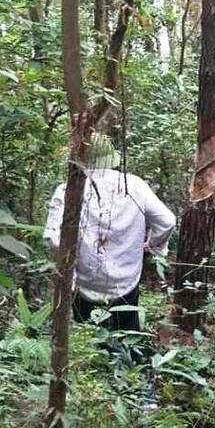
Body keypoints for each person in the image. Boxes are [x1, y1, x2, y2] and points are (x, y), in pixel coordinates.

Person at [43, 133, 176, 335]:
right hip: (126, 282)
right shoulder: (134, 186)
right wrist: (154, 245)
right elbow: (167, 221)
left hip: (84, 285)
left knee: (90, 342)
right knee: (127, 338)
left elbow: (53, 239)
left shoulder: (66, 190)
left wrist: (70, 267)